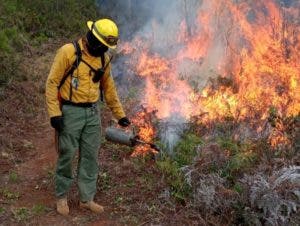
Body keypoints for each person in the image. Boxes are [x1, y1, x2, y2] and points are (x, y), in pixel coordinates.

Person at [45, 18, 130, 216]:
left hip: (93, 113)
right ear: (94, 39)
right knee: (67, 154)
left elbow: (109, 89)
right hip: (70, 111)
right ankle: (61, 197)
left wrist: (120, 115)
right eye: (103, 45)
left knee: (91, 157)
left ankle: (86, 199)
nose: (105, 49)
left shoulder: (103, 59)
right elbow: (52, 83)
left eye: (108, 46)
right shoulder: (68, 52)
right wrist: (54, 114)